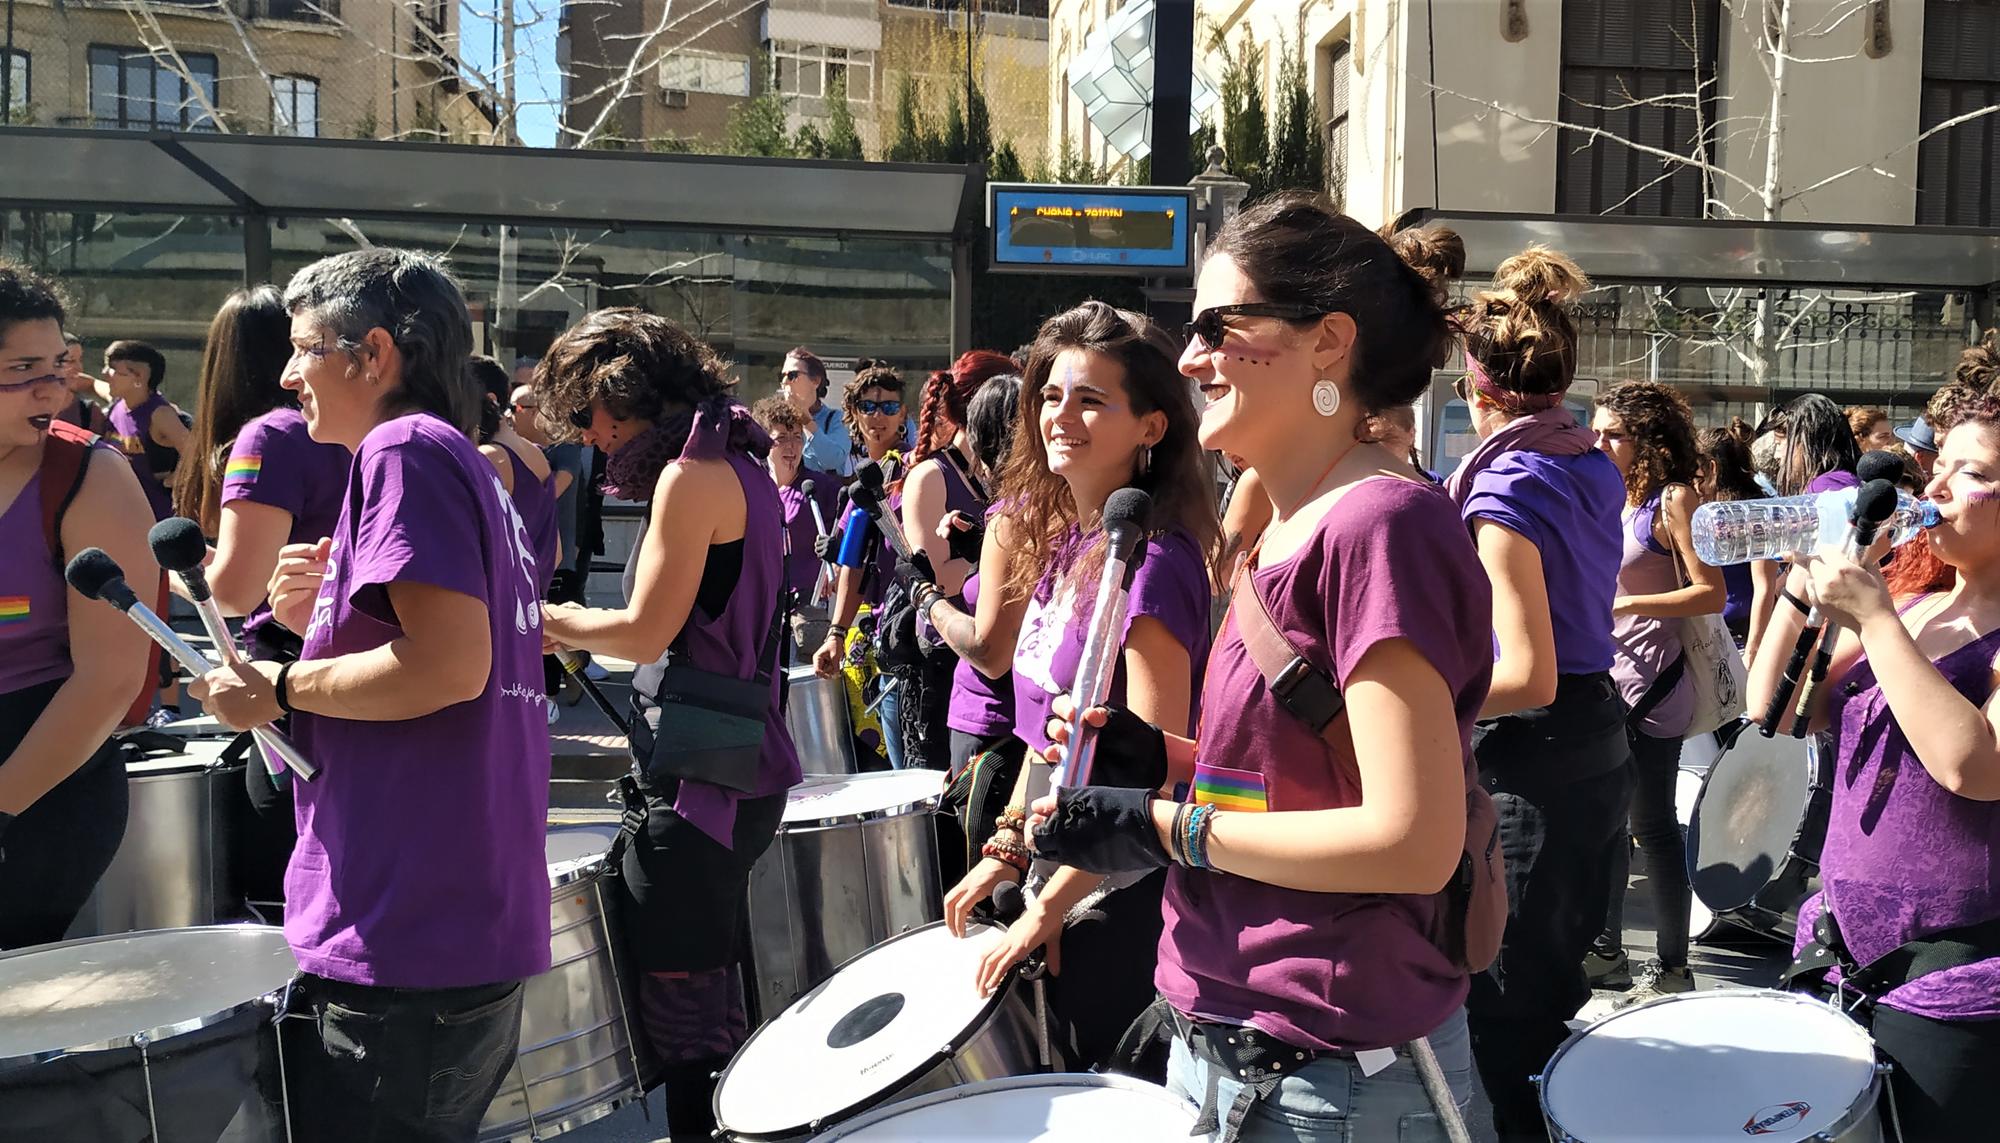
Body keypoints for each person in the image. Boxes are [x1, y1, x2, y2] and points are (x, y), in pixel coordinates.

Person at [1032, 204, 1492, 1142]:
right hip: (1222, 1041)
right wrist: (1159, 756)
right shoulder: (1285, 522)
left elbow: (1413, 839)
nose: (1193, 358)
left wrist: (1169, 829)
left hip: (1334, 1082)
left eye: (1217, 328)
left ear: (1328, 342)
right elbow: (1297, 780)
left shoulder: (1381, 527)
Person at [191, 248, 551, 1143]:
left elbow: (444, 667)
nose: (285, 373)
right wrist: (318, 616)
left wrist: (276, 682)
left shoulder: (401, 449)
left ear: (373, 353)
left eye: (305, 347)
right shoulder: (454, 459)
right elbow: (449, 647)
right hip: (444, 925)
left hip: (404, 933)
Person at [926, 301, 1216, 1075]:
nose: (1062, 416)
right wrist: (1009, 852)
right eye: (1052, 395)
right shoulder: (1070, 547)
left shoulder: (1155, 565)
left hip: (1121, 899)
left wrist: (1050, 906)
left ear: (1152, 427)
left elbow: (1151, 781)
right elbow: (1047, 740)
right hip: (1060, 871)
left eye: (1092, 400)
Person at [534, 308, 801, 1140]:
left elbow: (645, 630)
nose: (590, 437)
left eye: (587, 417)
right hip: (735, 763)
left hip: (701, 784)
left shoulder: (694, 475)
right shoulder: (744, 462)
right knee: (712, 995)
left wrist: (554, 617)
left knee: (686, 1016)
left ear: (623, 398)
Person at [1751, 388, 2000, 1138]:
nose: (1937, 485)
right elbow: (1781, 712)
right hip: (1836, 948)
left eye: (1972, 470)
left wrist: (1876, 617)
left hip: (1951, 980)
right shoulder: (1920, 599)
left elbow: (1975, 765)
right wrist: (1806, 582)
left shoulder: (1903, 614)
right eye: (1941, 464)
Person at [1447, 246, 1631, 1140]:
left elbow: (1525, 671)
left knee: (1507, 1016)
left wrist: (1414, 707)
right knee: (1541, 1004)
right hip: (1594, 743)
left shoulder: (1509, 485)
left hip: (1537, 757)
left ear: (1473, 386)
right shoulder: (1587, 460)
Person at [171, 284, 351, 914]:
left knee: (288, 899)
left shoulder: (270, 437)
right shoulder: (369, 431)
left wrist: (156, 573)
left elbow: (234, 590)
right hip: (357, 682)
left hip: (291, 693)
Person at [0, 261, 154, 949]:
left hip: (42, 779)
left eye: (58, 363)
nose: (51, 387)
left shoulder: (90, 473)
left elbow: (110, 679)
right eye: (23, 366)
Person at [1588, 381, 1726, 1004]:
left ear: (1648, 439)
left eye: (1613, 432)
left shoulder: (1676, 499)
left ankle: (1672, 963)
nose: (1599, 441)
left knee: (1651, 827)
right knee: (1610, 826)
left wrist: (1628, 601)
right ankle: (1607, 949)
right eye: (1597, 430)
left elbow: (1711, 592)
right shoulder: (1615, 494)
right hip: (1610, 681)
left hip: (1653, 687)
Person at [897, 350, 1019, 771]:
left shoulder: (1000, 474)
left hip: (994, 650)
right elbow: (932, 578)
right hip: (947, 655)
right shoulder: (932, 476)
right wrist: (985, 557)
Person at [812, 361, 911, 766]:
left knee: (906, 765)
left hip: (906, 635)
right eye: (869, 407)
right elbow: (851, 564)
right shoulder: (857, 480)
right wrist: (837, 631)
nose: (879, 416)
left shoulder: (910, 470)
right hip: (868, 636)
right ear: (853, 414)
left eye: (890, 407)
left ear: (904, 414)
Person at [750, 395, 838, 655]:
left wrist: (838, 566)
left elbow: (852, 535)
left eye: (797, 437)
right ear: (764, 442)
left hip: (807, 611)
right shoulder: (753, 487)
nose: (791, 446)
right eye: (781, 439)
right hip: (762, 606)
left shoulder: (820, 489)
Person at [1695, 420, 1774, 651]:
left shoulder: (1750, 513)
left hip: (1738, 633)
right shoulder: (1759, 506)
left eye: (1697, 473)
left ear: (1712, 467)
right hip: (1723, 627)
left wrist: (1753, 649)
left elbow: (1764, 586)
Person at [103, 338, 188, 521]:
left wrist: (174, 479)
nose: (105, 374)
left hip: (156, 519)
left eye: (114, 370)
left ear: (139, 377)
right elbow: (94, 385)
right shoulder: (118, 404)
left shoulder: (160, 414)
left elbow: (196, 452)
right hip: (121, 516)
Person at [780, 346, 853, 478]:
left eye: (792, 375)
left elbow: (833, 460)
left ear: (815, 381)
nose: (785, 382)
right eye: (782, 376)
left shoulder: (836, 419)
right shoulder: (778, 420)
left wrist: (807, 421)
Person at [56, 332, 110, 434]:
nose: (79, 368)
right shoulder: (26, 408)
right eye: (71, 361)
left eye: (80, 360)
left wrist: (94, 383)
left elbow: (119, 400)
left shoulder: (87, 413)